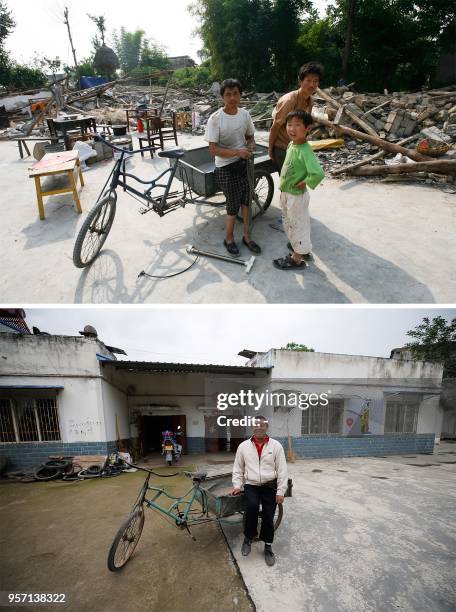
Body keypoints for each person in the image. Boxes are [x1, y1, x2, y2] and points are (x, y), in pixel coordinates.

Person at [205, 78, 261, 256]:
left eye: (235, 93)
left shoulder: (245, 115)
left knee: (246, 201)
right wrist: (237, 152)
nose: (232, 98)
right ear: (222, 97)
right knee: (233, 205)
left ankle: (247, 236)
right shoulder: (215, 119)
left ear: (240, 95)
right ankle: (228, 238)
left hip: (243, 164)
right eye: (228, 94)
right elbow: (213, 150)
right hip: (225, 167)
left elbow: (250, 136)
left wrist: (250, 145)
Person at [231, 416, 288, 566]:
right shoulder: (243, 446)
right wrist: (237, 485)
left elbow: (282, 470)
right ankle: (248, 538)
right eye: (256, 425)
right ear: (252, 428)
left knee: (269, 516)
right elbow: (238, 468)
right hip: (251, 485)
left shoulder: (276, 446)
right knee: (252, 508)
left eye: (262, 425)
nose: (259, 427)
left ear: (266, 427)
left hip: (270, 485)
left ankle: (268, 546)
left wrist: (281, 491)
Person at [273, 109, 325, 270]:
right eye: (289, 125)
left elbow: (318, 173)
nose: (292, 129)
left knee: (298, 225)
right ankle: (301, 248)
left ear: (307, 128)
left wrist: (305, 182)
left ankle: (296, 259)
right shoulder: (291, 145)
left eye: (297, 125)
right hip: (287, 193)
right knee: (290, 223)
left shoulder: (305, 150)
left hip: (296, 196)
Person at [268, 61, 324, 173]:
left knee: (297, 184)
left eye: (315, 81)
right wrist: (270, 150)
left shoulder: (310, 101)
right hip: (283, 148)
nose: (312, 85)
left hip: (296, 147)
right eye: (308, 80)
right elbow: (275, 126)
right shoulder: (289, 100)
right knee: (290, 184)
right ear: (300, 81)